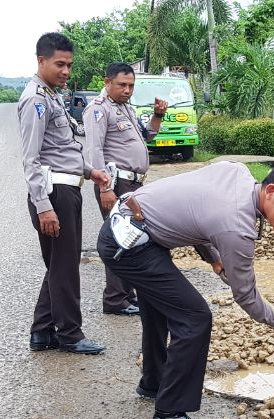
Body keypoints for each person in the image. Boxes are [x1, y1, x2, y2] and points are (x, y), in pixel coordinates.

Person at [97, 162, 274, 419]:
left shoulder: (236, 172)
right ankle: (169, 417)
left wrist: (213, 257)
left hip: (132, 224)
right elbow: (246, 296)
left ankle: (154, 382)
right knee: (195, 318)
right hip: (127, 244)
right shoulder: (237, 226)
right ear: (271, 191)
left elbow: (197, 207)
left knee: (161, 304)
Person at [18, 32, 113, 355]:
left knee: (60, 264)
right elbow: (31, 159)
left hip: (65, 188)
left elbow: (62, 149)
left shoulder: (52, 95)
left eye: (69, 65)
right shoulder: (36, 100)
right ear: (41, 61)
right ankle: (70, 334)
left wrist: (90, 171)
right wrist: (44, 207)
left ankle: (42, 332)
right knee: (65, 267)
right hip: (54, 193)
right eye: (60, 64)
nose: (66, 72)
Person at [83, 62, 167, 317]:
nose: (127, 90)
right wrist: (105, 187)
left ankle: (127, 296)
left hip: (133, 183)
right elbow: (94, 151)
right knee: (120, 239)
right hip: (116, 183)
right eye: (122, 85)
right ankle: (115, 300)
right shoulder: (98, 110)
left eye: (131, 85)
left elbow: (147, 136)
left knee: (132, 240)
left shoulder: (125, 108)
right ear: (107, 81)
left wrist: (158, 116)